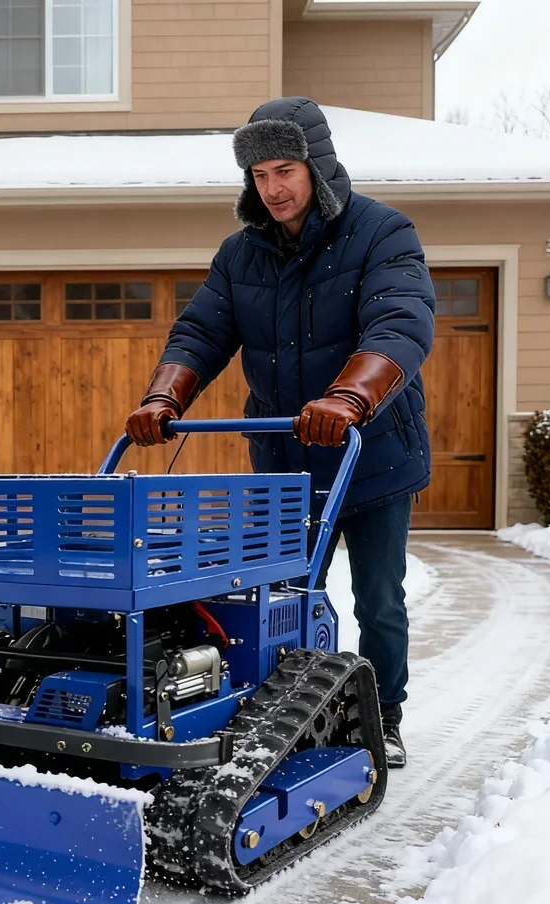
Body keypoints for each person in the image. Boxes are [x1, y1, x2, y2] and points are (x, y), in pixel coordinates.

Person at [125, 97, 435, 768]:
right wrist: (164, 394)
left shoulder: (382, 233)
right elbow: (202, 331)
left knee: (378, 599)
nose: (274, 189)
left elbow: (402, 323)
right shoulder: (241, 255)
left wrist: (351, 396)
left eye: (285, 170)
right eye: (260, 174)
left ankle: (385, 715)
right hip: (288, 464)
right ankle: (288, 713)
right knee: (283, 599)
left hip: (370, 453)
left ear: (316, 165)